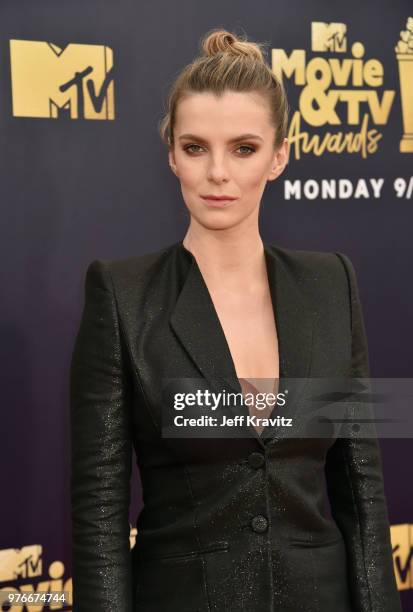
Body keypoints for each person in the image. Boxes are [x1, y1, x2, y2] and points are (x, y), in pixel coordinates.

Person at [70, 28, 401, 611]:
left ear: (279, 156)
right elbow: (100, 514)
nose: (217, 173)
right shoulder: (122, 296)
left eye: (243, 148)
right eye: (196, 147)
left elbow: (362, 490)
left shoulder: (331, 283)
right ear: (172, 154)